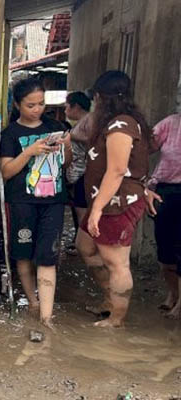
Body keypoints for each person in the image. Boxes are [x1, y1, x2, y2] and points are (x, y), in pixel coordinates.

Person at [76, 71, 150, 328]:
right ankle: (110, 300)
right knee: (85, 246)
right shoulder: (113, 123)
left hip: (115, 203)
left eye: (95, 97)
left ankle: (116, 318)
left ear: (100, 97)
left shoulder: (121, 125)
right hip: (105, 200)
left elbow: (118, 170)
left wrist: (96, 209)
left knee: (117, 262)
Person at [0, 77, 71, 328]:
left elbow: (66, 162)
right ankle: (32, 301)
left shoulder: (55, 126)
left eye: (40, 103)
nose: (37, 109)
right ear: (18, 104)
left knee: (48, 255)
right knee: (23, 254)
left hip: (53, 200)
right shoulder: (10, 134)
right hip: (21, 201)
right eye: (31, 105)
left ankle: (46, 317)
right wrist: (29, 152)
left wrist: (66, 146)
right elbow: (6, 172)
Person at [144, 109, 181, 319]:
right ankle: (173, 293)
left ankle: (180, 305)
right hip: (165, 191)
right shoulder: (170, 123)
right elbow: (144, 149)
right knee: (165, 250)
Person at [64, 92, 93, 254]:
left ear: (76, 106)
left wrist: (71, 136)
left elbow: (92, 140)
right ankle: (79, 241)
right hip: (78, 173)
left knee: (82, 210)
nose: (65, 110)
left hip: (83, 173)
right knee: (78, 209)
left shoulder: (89, 121)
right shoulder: (82, 122)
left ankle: (85, 244)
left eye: (67, 106)